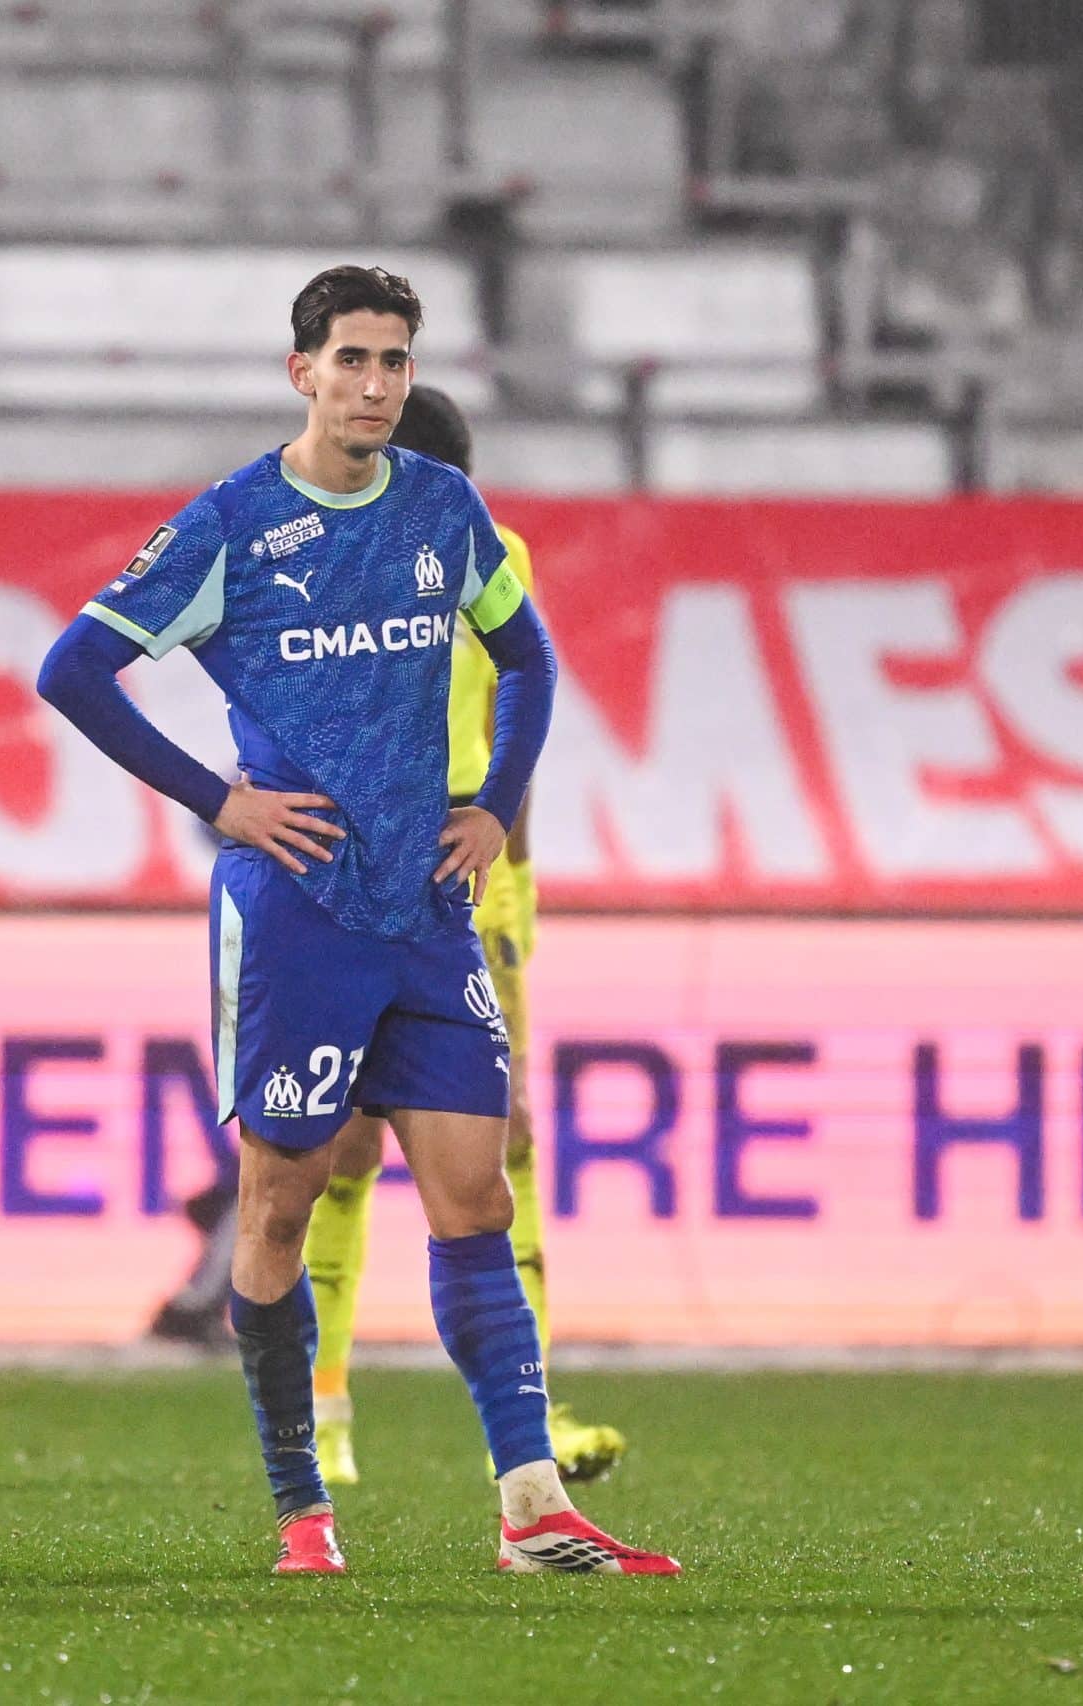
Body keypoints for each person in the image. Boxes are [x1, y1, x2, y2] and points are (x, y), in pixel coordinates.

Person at [36, 267, 678, 1577]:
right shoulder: (233, 523)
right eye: (353, 360)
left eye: (394, 359)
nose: (377, 383)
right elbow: (74, 669)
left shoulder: (446, 507)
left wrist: (493, 803)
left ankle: (532, 1506)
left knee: (473, 1191)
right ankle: (301, 1511)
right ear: (302, 372)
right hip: (299, 918)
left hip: (431, 910)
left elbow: (534, 660)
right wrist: (223, 800)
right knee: (279, 1203)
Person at [300, 385, 628, 1489]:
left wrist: (515, 897)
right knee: (336, 1146)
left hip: (463, 887)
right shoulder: (313, 554)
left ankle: (536, 1402)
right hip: (342, 879)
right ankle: (323, 1403)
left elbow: (509, 732)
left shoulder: (496, 559)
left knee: (506, 1143)